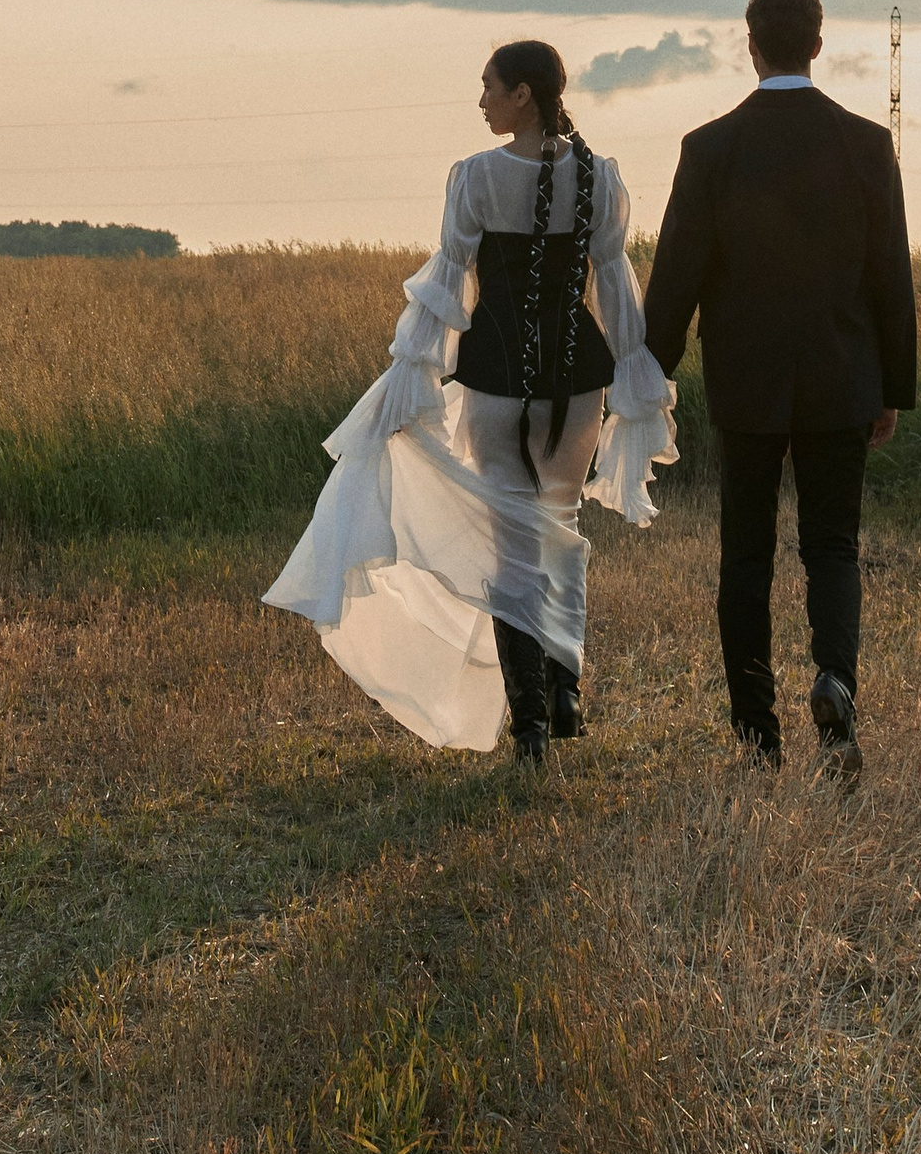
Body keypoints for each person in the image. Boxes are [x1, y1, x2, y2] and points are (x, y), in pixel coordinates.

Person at [263, 40, 676, 764]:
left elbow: (450, 284)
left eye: (488, 87)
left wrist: (408, 373)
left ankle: (532, 727)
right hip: (579, 377)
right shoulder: (600, 176)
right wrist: (637, 379)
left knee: (511, 543)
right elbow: (614, 293)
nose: (480, 99)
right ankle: (564, 686)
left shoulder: (476, 177)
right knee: (559, 521)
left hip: (493, 375)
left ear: (522, 93)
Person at [643, 0, 915, 779]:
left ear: (750, 43)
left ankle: (757, 738)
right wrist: (892, 386)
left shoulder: (710, 147)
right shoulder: (866, 144)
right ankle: (834, 691)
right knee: (833, 547)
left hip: (746, 385)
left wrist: (648, 377)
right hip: (843, 379)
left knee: (746, 559)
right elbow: (889, 276)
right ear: (819, 45)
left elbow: (675, 280)